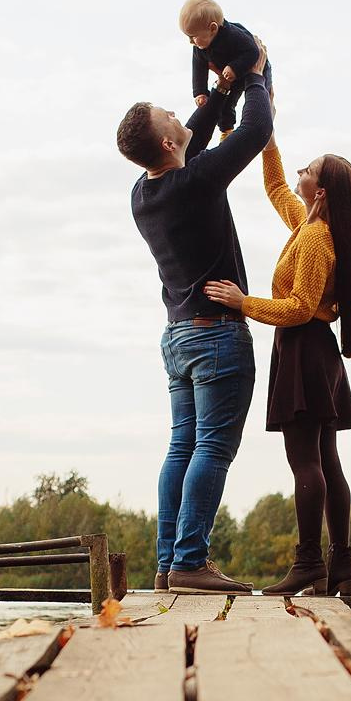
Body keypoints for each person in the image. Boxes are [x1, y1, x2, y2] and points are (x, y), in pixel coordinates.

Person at [115, 45, 274, 593]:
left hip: (177, 338)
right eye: (171, 117)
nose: (181, 116)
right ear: (165, 141)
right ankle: (190, 560)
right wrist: (254, 80)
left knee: (181, 445)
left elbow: (195, 140)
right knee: (210, 448)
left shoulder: (144, 194)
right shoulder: (195, 182)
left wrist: (221, 91)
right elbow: (253, 135)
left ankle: (167, 564)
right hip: (217, 336)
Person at [201, 131, 351, 600]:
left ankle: (309, 566)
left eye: (309, 168)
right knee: (327, 462)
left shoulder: (317, 238)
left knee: (307, 463)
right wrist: (266, 139)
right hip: (315, 353)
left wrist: (244, 302)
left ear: (319, 191)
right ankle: (341, 566)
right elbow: (277, 188)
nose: (300, 171)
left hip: (304, 348)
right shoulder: (309, 224)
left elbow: (299, 306)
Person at [179, 0, 265, 134]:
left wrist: (234, 67)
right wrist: (200, 92)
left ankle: (263, 130)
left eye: (193, 36)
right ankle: (227, 133)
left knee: (257, 103)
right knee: (225, 106)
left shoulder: (233, 36)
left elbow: (253, 51)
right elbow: (199, 68)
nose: (190, 42)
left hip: (251, 68)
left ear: (213, 28)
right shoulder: (199, 47)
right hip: (230, 77)